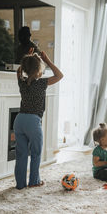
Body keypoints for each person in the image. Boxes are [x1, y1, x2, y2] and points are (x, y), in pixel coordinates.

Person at [14, 51, 63, 189]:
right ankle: (34, 181)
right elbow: (60, 75)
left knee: (21, 154)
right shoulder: (41, 83)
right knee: (35, 153)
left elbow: (19, 72)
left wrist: (26, 59)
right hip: (33, 122)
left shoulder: (22, 82)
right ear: (38, 70)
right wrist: (47, 60)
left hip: (19, 120)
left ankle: (20, 184)